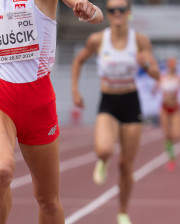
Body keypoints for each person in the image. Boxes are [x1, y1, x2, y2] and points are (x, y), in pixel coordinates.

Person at [0, 1, 103, 223]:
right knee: (2, 170)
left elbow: (97, 16)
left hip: (38, 105)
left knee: (48, 200)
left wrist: (91, 12)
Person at [71, 0, 160, 223]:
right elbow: (78, 61)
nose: (117, 13)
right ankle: (103, 159)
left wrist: (146, 65)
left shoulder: (139, 40)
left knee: (126, 166)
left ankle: (122, 211)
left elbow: (157, 75)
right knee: (103, 149)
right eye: (112, 10)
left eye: (122, 9)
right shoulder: (98, 39)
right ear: (108, 14)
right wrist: (75, 91)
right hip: (108, 102)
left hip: (130, 103)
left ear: (129, 13)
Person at [154, 57, 180, 171]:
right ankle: (171, 158)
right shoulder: (162, 78)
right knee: (168, 135)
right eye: (170, 65)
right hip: (164, 108)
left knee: (176, 134)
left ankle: (171, 157)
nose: (172, 67)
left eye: (174, 65)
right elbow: (154, 90)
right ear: (168, 66)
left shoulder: (177, 78)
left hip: (175, 107)